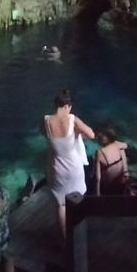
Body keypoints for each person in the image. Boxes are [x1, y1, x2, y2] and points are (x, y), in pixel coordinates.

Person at [40, 88, 95, 238]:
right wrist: (78, 135)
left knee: (60, 204)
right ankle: (78, 233)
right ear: (67, 106)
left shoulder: (46, 120)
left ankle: (64, 239)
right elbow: (91, 134)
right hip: (73, 167)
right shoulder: (72, 119)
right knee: (77, 198)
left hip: (56, 168)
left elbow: (43, 133)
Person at [93, 126, 130, 195]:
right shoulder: (119, 147)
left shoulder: (99, 152)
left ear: (108, 138)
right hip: (121, 186)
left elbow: (97, 177)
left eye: (103, 135)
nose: (100, 137)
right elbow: (125, 145)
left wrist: (97, 194)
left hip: (107, 187)